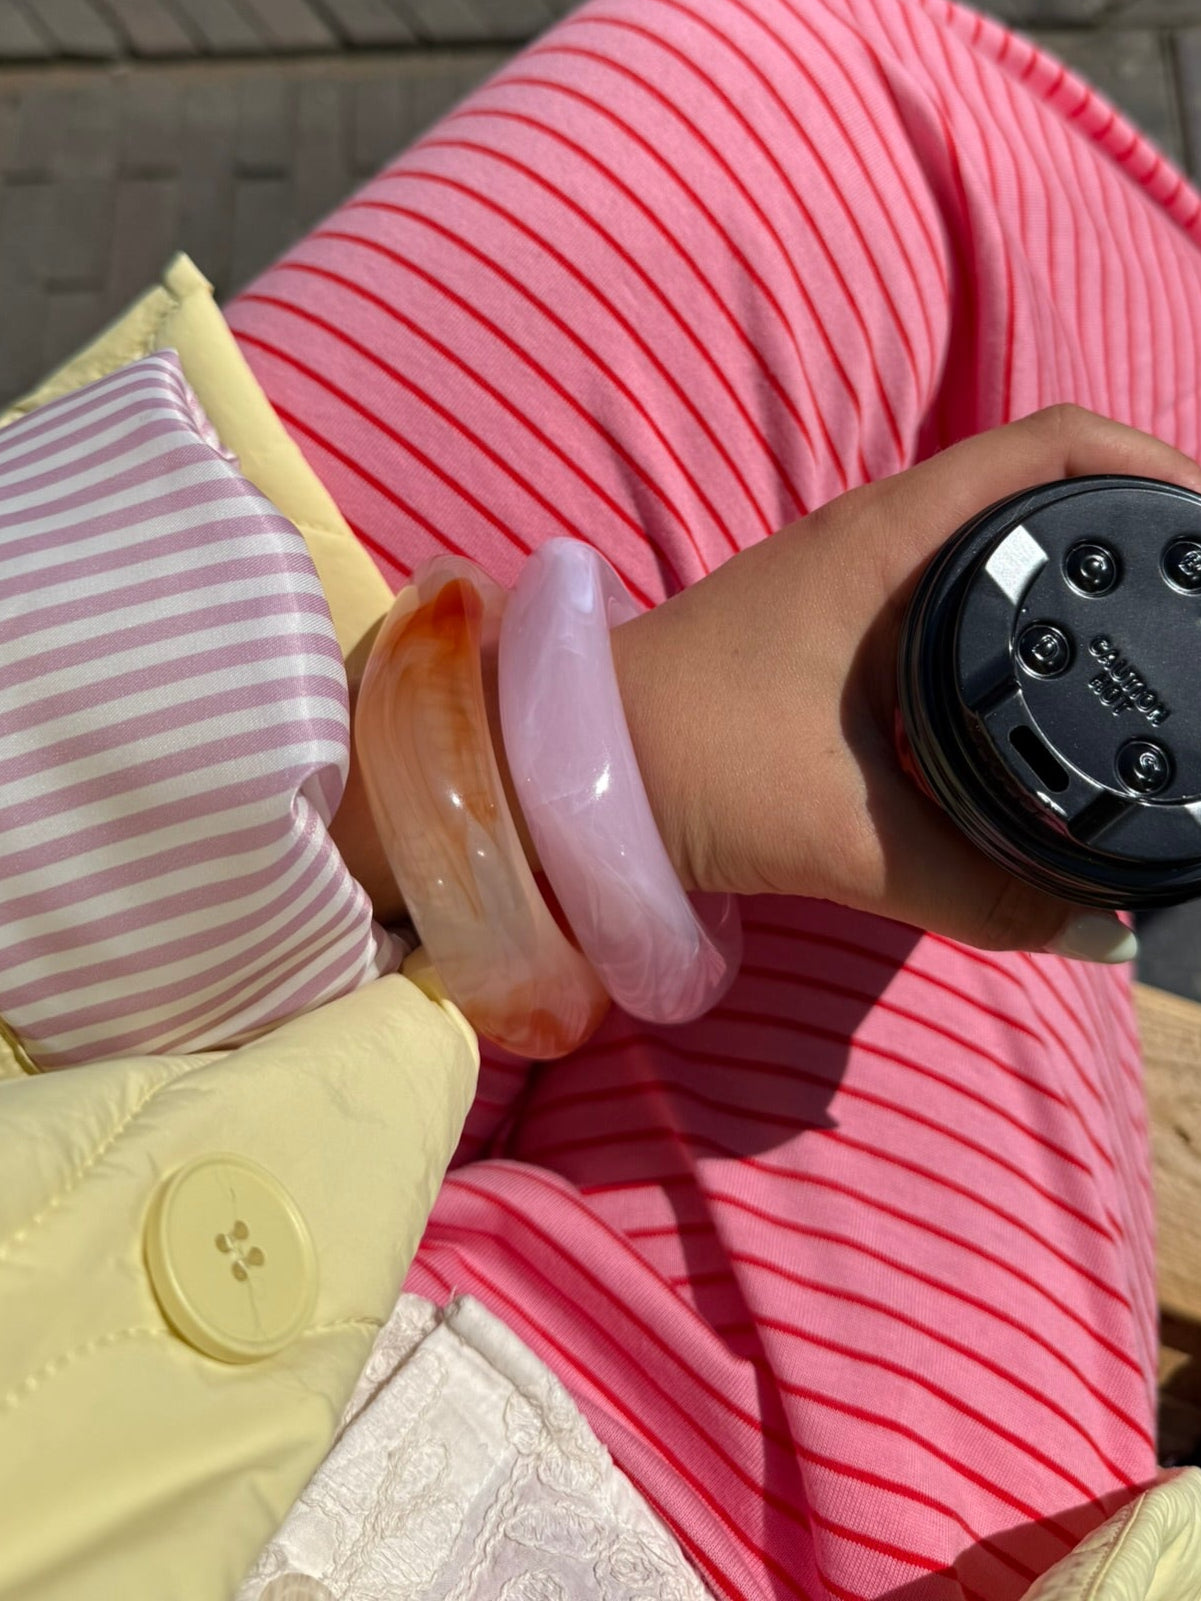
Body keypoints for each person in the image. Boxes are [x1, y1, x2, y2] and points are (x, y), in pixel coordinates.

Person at [0, 0, 1199, 1596]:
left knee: (821, 112)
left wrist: (569, 755)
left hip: (119, 1121)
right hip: (844, 1534)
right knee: (886, 136)